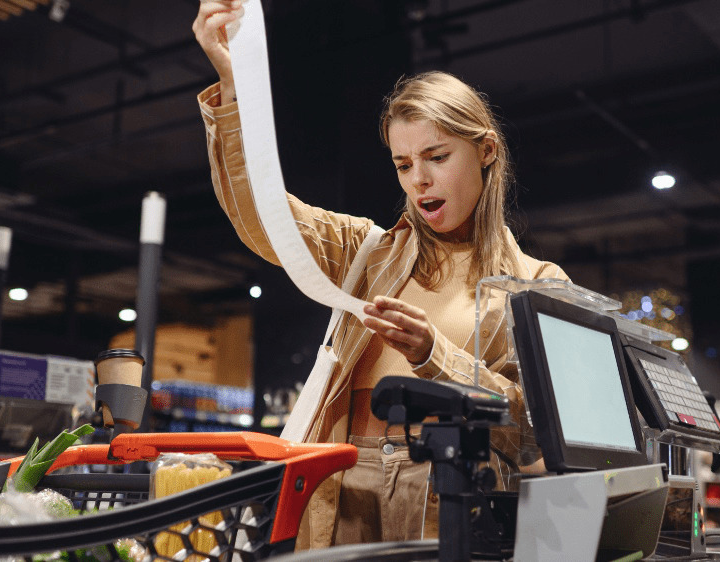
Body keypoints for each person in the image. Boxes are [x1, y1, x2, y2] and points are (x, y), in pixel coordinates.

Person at [193, 0, 569, 550]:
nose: (419, 180)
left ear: (486, 149)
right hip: (338, 484)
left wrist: (432, 354)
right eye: (403, 164)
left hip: (448, 497)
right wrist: (233, 84)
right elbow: (262, 214)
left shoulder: (537, 286)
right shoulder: (366, 253)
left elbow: (537, 432)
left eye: (437, 156)